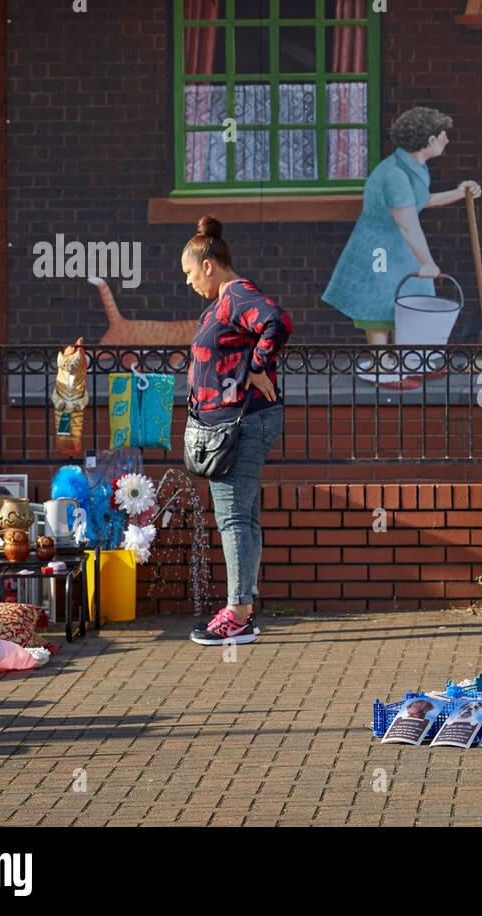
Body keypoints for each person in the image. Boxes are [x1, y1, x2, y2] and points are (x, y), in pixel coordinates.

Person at [183, 216, 293, 646]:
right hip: (235, 422)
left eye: (190, 273)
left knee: (232, 519)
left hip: (240, 422)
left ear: (208, 264)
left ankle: (238, 615)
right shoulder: (223, 302)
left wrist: (257, 367)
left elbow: (277, 321)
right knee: (242, 517)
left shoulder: (235, 296)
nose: (188, 283)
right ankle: (242, 606)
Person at [322, 106, 480, 385]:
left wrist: (458, 193)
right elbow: (407, 221)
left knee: (411, 301)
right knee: (381, 304)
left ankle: (411, 360)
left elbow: (420, 201)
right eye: (443, 135)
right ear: (429, 140)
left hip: (401, 246)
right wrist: (427, 262)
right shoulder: (393, 174)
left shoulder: (413, 166)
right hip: (379, 247)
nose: (446, 141)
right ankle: (382, 365)